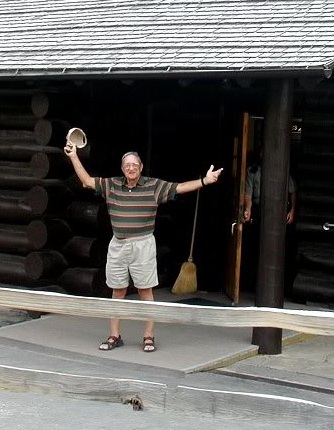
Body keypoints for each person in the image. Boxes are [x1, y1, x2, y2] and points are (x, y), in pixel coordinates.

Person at [64, 141, 222, 353]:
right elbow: (85, 181)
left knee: (145, 290)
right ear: (122, 169)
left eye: (134, 165)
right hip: (118, 244)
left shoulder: (153, 186)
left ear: (141, 168)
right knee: (117, 291)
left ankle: (149, 336)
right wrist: (74, 155)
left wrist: (205, 180)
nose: (131, 168)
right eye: (127, 165)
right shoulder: (111, 185)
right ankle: (114, 335)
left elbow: (180, 187)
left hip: (143, 244)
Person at [241, 159, 297, 293]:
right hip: (259, 209)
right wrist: (248, 209)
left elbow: (292, 191)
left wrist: (292, 210)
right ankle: (251, 286)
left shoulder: (282, 168)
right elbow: (248, 194)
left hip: (279, 210)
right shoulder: (253, 171)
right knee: (255, 248)